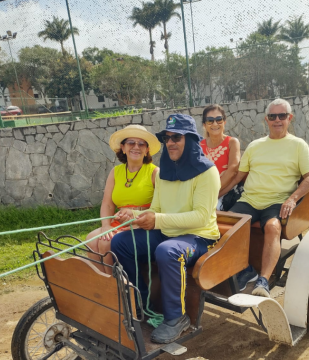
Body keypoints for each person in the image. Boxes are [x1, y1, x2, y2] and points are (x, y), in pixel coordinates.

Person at [111, 114, 220, 344]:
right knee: (120, 242)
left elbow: (201, 217)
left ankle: (177, 318)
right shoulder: (165, 173)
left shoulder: (207, 172)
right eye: (166, 137)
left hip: (199, 237)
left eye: (176, 137)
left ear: (190, 140)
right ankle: (141, 303)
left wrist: (157, 220)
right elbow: (157, 208)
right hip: (168, 233)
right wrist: (134, 215)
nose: (170, 142)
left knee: (167, 251)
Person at [224, 98, 309, 297]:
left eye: (282, 116)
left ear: (289, 118)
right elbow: (238, 176)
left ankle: (263, 280)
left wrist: (292, 199)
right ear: (266, 120)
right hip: (249, 200)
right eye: (272, 116)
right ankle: (243, 270)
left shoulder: (298, 145)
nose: (277, 120)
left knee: (273, 227)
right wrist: (217, 195)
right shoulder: (255, 145)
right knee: (225, 224)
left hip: (278, 201)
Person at [86, 125, 160, 275]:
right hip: (118, 221)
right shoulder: (116, 172)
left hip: (141, 223)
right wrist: (106, 225)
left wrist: (135, 215)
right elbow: (107, 203)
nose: (136, 147)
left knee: (106, 241)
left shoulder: (154, 172)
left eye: (141, 144)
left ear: (147, 150)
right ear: (123, 147)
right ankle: (104, 283)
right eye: (131, 143)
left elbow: (160, 207)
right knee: (91, 239)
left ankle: (114, 285)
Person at [200, 104, 241, 210]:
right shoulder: (199, 146)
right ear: (204, 124)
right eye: (210, 120)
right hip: (204, 193)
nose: (215, 124)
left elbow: (233, 170)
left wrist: (213, 192)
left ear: (224, 122)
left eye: (219, 119)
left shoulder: (232, 142)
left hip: (225, 193)